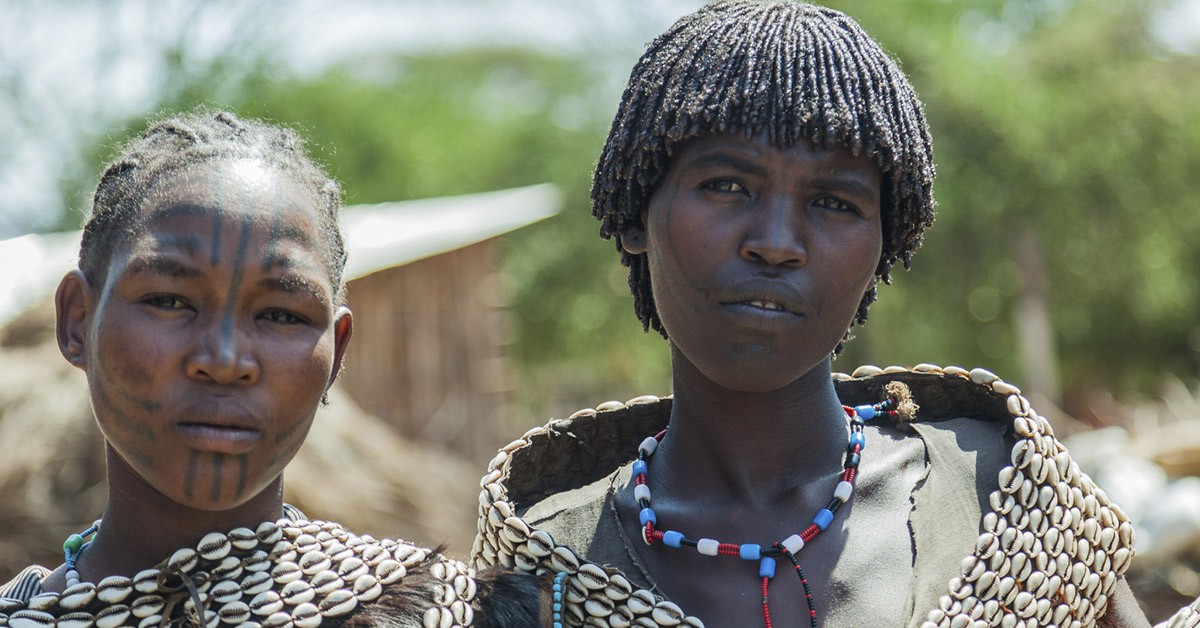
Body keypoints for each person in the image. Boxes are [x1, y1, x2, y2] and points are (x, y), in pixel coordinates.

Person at [471, 2, 1151, 626]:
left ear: (884, 247)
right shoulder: (543, 573)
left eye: (833, 203)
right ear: (635, 215)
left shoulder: (1003, 497)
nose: (775, 243)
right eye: (726, 185)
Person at [0, 109, 543, 627]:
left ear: (337, 352)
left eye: (282, 314)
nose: (224, 361)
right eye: (169, 301)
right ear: (77, 320)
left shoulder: (461, 614)